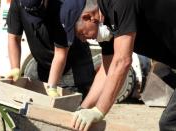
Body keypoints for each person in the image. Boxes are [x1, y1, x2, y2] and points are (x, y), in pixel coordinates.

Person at [60, 0, 176, 130]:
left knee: (170, 124)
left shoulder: (120, 4)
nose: (82, 39)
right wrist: (83, 109)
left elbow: (122, 61)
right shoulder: (105, 27)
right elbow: (106, 71)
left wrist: (99, 111)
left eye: (81, 33)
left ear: (88, 17)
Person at [5, 0, 95, 98]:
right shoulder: (18, 3)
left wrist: (52, 86)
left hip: (73, 64)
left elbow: (60, 53)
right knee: (33, 102)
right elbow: (13, 38)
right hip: (43, 63)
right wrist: (15, 68)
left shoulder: (62, 8)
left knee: (67, 106)